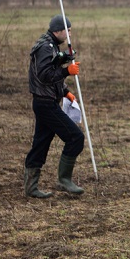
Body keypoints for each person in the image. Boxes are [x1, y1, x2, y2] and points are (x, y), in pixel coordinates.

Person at [24, 15, 85, 198]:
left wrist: (65, 91)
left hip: (46, 101)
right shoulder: (45, 47)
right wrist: (67, 71)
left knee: (40, 144)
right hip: (45, 104)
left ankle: (31, 188)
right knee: (75, 138)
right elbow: (44, 75)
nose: (69, 34)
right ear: (58, 31)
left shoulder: (51, 45)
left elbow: (51, 73)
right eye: (67, 30)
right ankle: (64, 180)